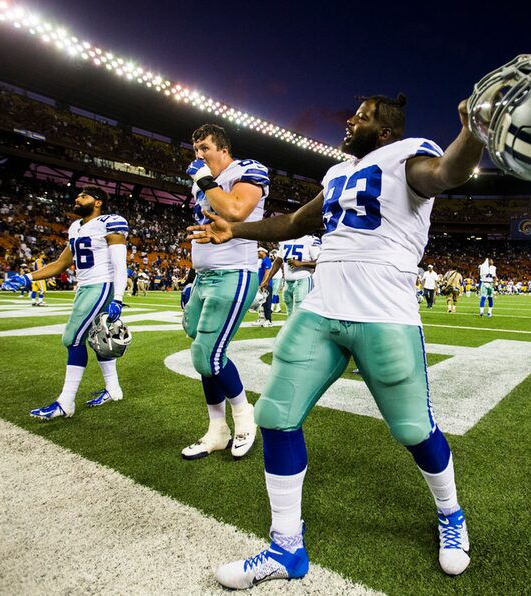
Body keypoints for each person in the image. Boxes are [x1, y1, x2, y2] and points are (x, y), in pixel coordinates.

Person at [189, 92, 483, 588]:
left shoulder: (407, 157)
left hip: (383, 315)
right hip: (321, 308)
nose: (350, 120)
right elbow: (290, 224)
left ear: (384, 131)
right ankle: (286, 548)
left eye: (362, 116)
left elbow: (447, 174)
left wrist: (473, 131)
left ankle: (450, 514)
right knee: (275, 416)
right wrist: (236, 231)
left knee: (413, 430)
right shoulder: (338, 173)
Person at [180, 123, 268, 461]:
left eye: (204, 147)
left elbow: (235, 211)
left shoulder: (246, 170)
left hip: (235, 273)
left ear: (223, 148)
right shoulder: (201, 182)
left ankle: (245, 417)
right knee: (204, 352)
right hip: (204, 277)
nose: (199, 154)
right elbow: (205, 229)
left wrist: (204, 179)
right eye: (196, 149)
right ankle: (217, 430)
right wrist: (192, 278)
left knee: (208, 355)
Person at [10, 186, 129, 419]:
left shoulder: (109, 222)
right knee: (99, 339)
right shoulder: (75, 227)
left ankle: (65, 402)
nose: (77, 198)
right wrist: (27, 277)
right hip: (85, 287)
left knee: (72, 339)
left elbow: (119, 264)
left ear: (98, 203)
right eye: (78, 195)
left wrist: (118, 298)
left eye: (84, 196)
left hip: (101, 286)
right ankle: (113, 390)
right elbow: (61, 263)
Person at [262, 234, 321, 318]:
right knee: (290, 315)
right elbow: (278, 260)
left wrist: (301, 263)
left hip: (303, 280)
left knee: (299, 315)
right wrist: (267, 280)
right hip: (287, 282)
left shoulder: (310, 240)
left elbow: (320, 261)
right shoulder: (285, 239)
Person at [256, 246, 273, 327]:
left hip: (266, 285)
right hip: (262, 285)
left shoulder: (267, 260)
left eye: (259, 251)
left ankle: (269, 320)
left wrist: (263, 283)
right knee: (261, 303)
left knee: (267, 303)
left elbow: (267, 272)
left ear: (264, 252)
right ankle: (262, 319)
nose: (258, 253)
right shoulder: (262, 261)